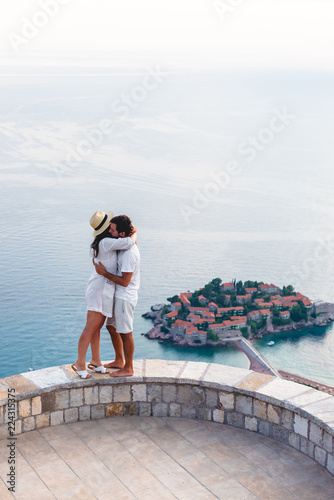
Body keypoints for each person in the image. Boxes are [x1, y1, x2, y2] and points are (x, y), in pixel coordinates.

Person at [72, 210, 136, 379]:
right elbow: (130, 242)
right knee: (90, 327)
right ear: (107, 229)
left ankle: (96, 360)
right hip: (100, 288)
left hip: (102, 287)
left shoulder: (105, 241)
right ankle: (80, 363)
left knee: (97, 327)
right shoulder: (107, 242)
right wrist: (134, 232)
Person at [94, 215, 140, 378]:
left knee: (126, 332)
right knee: (111, 327)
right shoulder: (124, 244)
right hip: (118, 296)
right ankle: (119, 360)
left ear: (121, 234)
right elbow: (132, 237)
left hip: (124, 297)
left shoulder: (128, 254)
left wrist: (104, 273)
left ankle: (128, 368)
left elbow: (125, 281)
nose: (109, 231)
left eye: (112, 230)